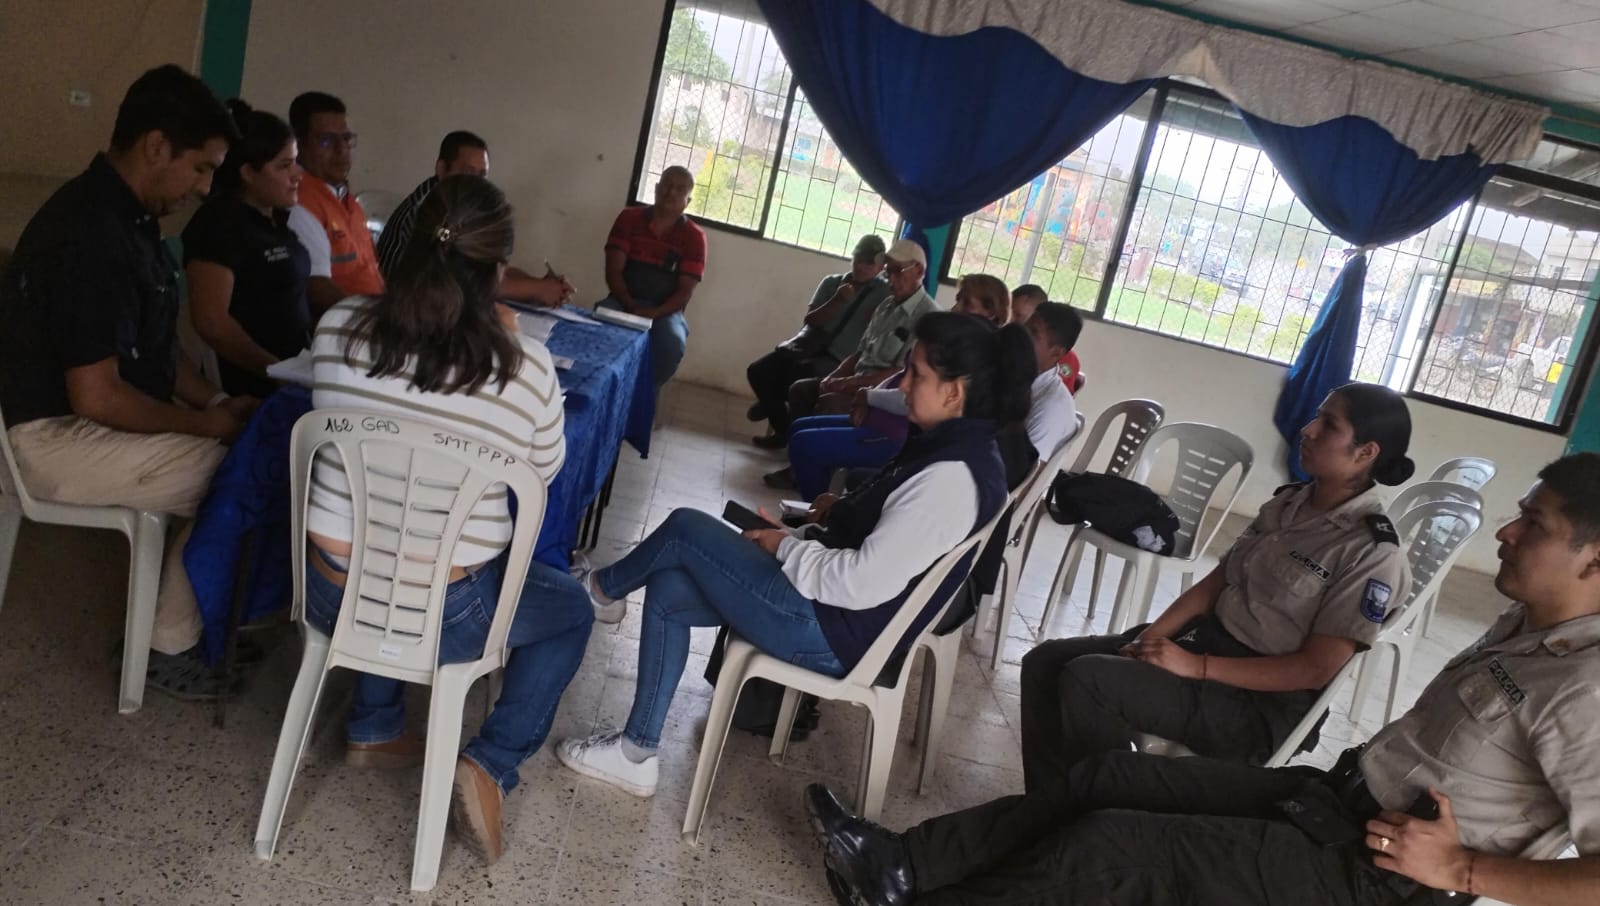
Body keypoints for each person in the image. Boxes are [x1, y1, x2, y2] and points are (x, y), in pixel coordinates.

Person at [806, 451, 1600, 906]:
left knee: (1110, 844)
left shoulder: (1589, 686)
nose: (1506, 531)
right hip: (1335, 801)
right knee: (1107, 777)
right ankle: (905, 865)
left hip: (1376, 879)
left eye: (1534, 523)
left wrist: (1463, 872)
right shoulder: (1530, 624)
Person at [553, 312, 1037, 797]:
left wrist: (786, 547)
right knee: (669, 586)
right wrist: (798, 539)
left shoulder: (950, 478)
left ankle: (598, 593)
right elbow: (871, 549)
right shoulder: (955, 450)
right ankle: (636, 753)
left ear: (954, 392)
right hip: (833, 614)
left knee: (684, 529)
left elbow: (859, 583)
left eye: (917, 374)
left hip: (831, 632)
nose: (904, 384)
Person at [303, 174, 592, 866]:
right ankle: (491, 761)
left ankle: (374, 724)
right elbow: (542, 473)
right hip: (446, 615)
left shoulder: (337, 326)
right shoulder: (523, 368)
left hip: (327, 590)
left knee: (385, 525)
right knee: (571, 612)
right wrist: (510, 343)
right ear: (498, 271)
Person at [1020, 382, 1415, 795]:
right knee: (1045, 661)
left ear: (1366, 452)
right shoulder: (1289, 503)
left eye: (1329, 425)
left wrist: (1197, 666)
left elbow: (1314, 669)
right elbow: (1215, 585)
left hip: (1259, 704)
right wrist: (1149, 637)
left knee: (1089, 681)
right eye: (1317, 416)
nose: (1308, 430)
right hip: (1205, 644)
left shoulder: (1370, 552)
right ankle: (1050, 803)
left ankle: (1092, 807)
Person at [0, 64, 255, 700]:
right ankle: (167, 643)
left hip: (81, 421)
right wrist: (205, 426)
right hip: (49, 439)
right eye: (201, 168)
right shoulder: (91, 232)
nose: (205, 187)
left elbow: (158, 357)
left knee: (246, 449)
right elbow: (98, 396)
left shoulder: (132, 222)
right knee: (244, 472)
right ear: (156, 146)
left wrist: (219, 402)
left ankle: (182, 622)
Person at [772, 274, 1019, 498]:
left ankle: (815, 508)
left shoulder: (971, 359)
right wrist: (867, 398)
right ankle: (821, 502)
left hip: (895, 433)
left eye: (966, 303)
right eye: (958, 300)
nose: (956, 308)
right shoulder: (948, 340)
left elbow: (911, 395)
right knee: (799, 428)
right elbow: (902, 375)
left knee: (806, 444)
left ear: (992, 314)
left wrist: (868, 397)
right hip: (881, 414)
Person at [181, 100, 310, 399]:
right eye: (284, 165)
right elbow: (211, 321)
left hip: (295, 370)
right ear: (248, 173)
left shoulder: (276, 221)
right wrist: (275, 370)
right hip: (252, 383)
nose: (297, 175)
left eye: (295, 162)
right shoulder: (219, 224)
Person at [375, 130, 574, 307]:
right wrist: (535, 289)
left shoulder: (461, 209)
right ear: (441, 169)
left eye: (482, 175)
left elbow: (483, 264)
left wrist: (540, 284)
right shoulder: (429, 211)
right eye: (468, 173)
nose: (477, 183)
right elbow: (458, 281)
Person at [748, 234, 889, 448]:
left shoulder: (884, 294)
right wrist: (837, 300)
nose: (861, 266)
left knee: (797, 375)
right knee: (758, 371)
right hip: (806, 348)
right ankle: (782, 426)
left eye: (869, 263)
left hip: (840, 361)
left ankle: (771, 407)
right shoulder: (832, 282)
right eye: (858, 259)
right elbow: (811, 320)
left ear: (880, 268)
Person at [782, 238, 937, 425]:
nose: (891, 278)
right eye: (888, 271)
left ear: (919, 271)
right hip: (857, 380)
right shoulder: (885, 306)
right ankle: (794, 440)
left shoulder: (928, 318)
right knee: (800, 390)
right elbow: (860, 353)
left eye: (897, 270)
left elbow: (899, 373)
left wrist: (850, 383)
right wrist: (834, 377)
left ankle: (812, 441)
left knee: (829, 403)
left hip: (880, 392)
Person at [597, 165, 706, 390]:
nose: (671, 192)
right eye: (667, 185)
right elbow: (613, 270)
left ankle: (645, 392)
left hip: (666, 311)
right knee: (599, 327)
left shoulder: (694, 237)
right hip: (621, 300)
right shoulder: (629, 218)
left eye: (680, 189)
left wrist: (654, 313)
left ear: (688, 201)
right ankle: (601, 386)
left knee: (672, 343)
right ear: (656, 188)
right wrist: (629, 305)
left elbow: (685, 291)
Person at [285, 91, 383, 316]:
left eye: (346, 139)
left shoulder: (348, 202)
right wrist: (372, 320)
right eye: (326, 140)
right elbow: (316, 287)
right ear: (298, 145)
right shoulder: (298, 201)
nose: (341, 150)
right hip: (343, 326)